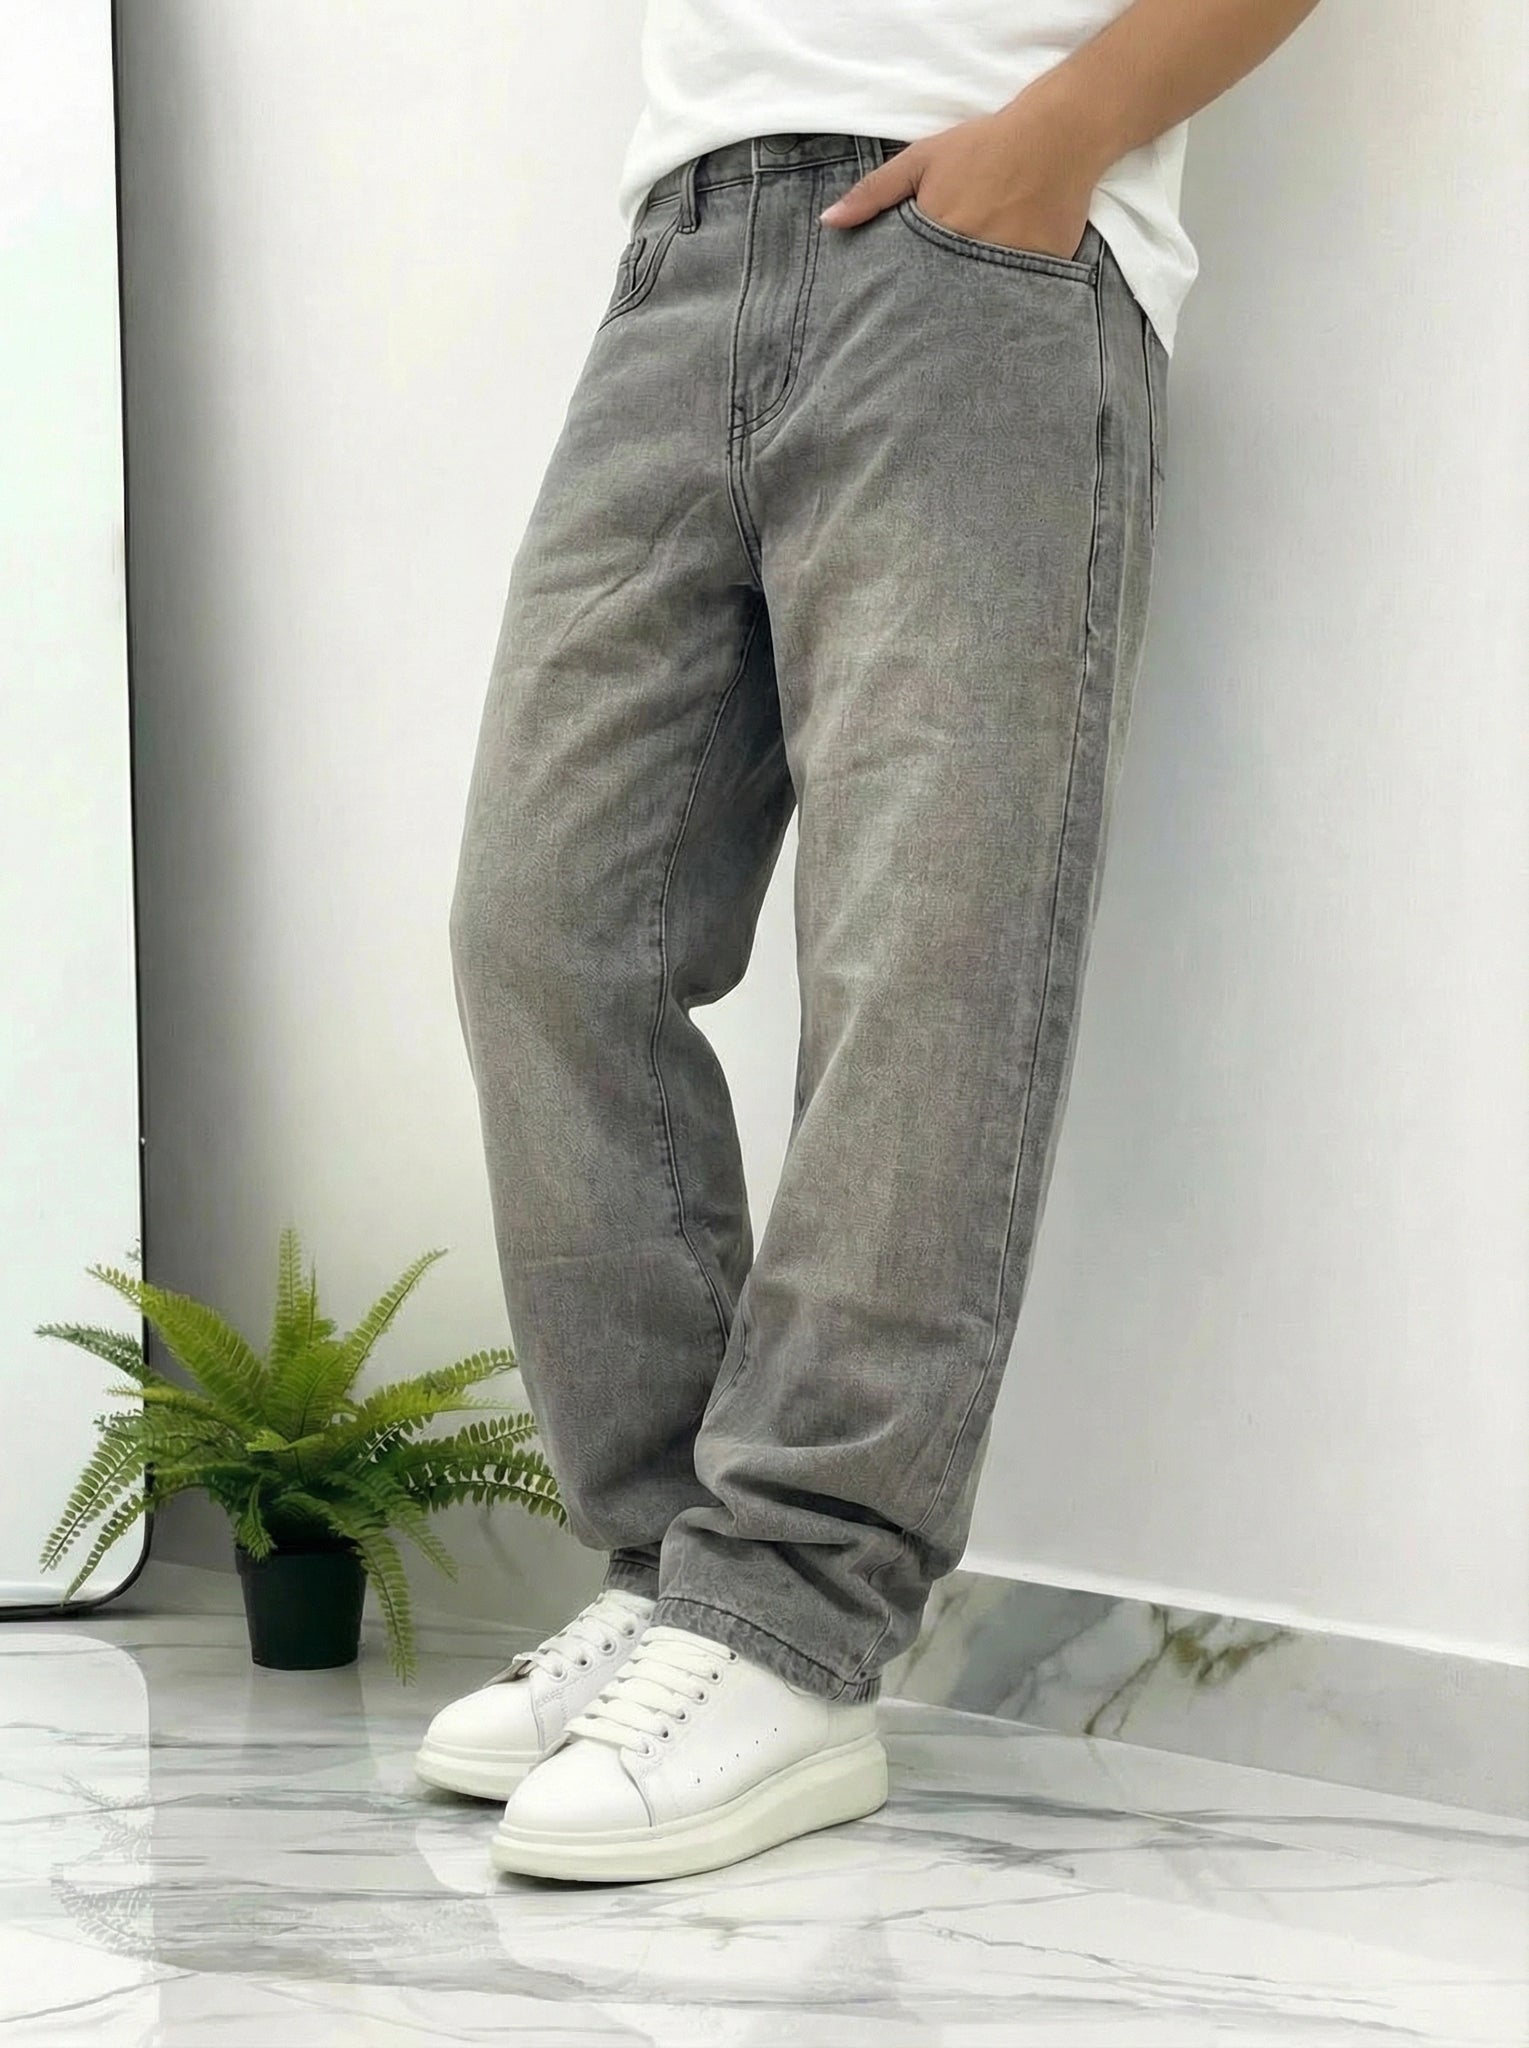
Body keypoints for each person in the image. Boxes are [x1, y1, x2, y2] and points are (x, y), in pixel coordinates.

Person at [417, 0, 1324, 1883]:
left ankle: (793, 1623)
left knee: (922, 952)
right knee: (545, 926)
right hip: (678, 260)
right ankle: (672, 1572)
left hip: (978, 257)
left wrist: (1052, 140)